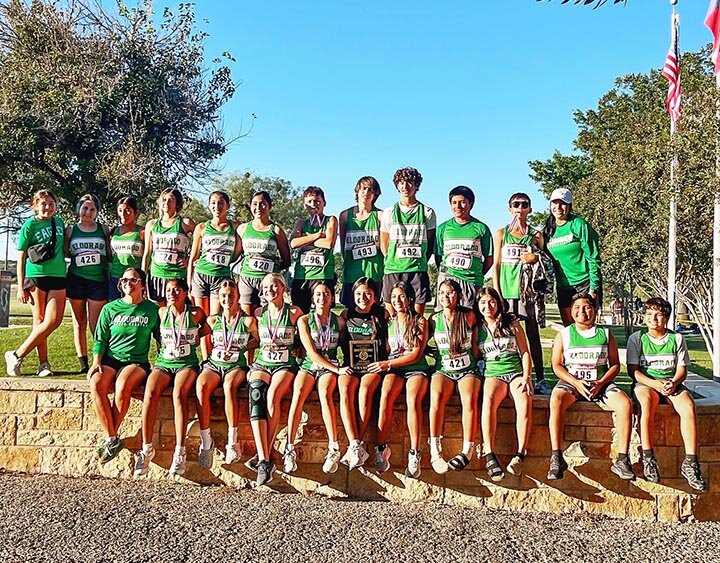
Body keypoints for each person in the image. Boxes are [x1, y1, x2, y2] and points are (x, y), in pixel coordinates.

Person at [547, 294, 634, 481]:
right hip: (573, 382)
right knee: (556, 400)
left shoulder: (605, 334)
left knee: (625, 404)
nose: (582, 312)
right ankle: (556, 456)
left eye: (587, 307)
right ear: (571, 311)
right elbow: (556, 365)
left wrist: (602, 383)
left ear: (594, 310)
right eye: (577, 307)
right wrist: (576, 382)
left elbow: (615, 364)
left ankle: (622, 458)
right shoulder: (564, 334)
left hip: (600, 383)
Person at [627, 297, 707, 491]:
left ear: (666, 318)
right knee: (646, 403)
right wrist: (654, 383)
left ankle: (691, 462)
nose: (653, 319)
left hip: (671, 383)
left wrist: (674, 382)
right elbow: (633, 371)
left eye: (659, 315)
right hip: (647, 382)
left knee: (688, 406)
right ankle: (648, 457)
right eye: (649, 314)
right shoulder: (637, 339)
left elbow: (682, 369)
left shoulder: (676, 338)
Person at [133, 278, 209, 476]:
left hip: (186, 364)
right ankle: (146, 447)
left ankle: (180, 451)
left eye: (176, 290)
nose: (172, 294)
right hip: (164, 362)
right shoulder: (161, 312)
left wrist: (192, 340)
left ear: (185, 293)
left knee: (178, 394)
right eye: (168, 290)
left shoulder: (195, 313)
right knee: (150, 392)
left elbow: (207, 329)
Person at [88, 268, 159, 464]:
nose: (128, 283)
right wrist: (96, 361)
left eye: (133, 280)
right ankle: (112, 438)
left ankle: (111, 439)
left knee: (122, 385)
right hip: (111, 358)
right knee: (96, 384)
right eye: (124, 280)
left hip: (136, 361)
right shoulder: (110, 308)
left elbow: (161, 338)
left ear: (142, 285)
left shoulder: (152, 310)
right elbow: (100, 339)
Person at [282, 282, 351, 475]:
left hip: (329, 366)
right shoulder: (304, 321)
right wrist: (337, 370)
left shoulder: (340, 322)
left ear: (332, 297)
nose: (323, 298)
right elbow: (311, 353)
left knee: (325, 393)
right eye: (319, 294)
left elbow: (347, 348)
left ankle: (333, 448)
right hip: (309, 365)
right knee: (298, 393)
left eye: (327, 294)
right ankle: (289, 448)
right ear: (313, 298)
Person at [193, 279, 258, 469]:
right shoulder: (213, 320)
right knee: (201, 386)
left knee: (230, 386)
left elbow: (261, 340)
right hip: (214, 364)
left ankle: (233, 440)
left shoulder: (247, 321)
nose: (227, 299)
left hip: (235, 366)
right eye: (223, 296)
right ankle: (207, 442)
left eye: (231, 295)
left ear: (238, 297)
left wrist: (244, 347)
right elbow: (197, 337)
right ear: (219, 298)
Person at [247, 273, 302, 485]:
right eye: (267, 287)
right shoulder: (259, 313)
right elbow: (254, 340)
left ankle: (264, 458)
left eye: (275, 286)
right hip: (263, 362)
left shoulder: (295, 312)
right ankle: (264, 459)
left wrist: (298, 348)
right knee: (256, 392)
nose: (271, 290)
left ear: (283, 288)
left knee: (271, 398)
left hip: (284, 364)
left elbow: (304, 337)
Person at [6, 190, 66, 378]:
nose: (47, 207)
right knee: (39, 321)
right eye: (43, 204)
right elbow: (21, 257)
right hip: (36, 276)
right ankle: (43, 364)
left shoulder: (59, 222)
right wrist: (22, 284)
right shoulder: (29, 225)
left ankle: (16, 354)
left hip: (58, 275)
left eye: (51, 203)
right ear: (35, 206)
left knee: (53, 320)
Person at [372, 282, 429, 478]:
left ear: (410, 298)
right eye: (394, 297)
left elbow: (415, 354)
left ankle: (414, 453)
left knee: (413, 400)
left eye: (402, 296)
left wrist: (387, 364)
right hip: (394, 369)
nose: (398, 301)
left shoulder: (420, 321)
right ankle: (381, 448)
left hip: (415, 368)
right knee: (385, 396)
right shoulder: (389, 323)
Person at [477, 287, 533, 481]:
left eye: (491, 301)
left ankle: (520, 454)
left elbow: (525, 352)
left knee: (524, 402)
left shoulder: (511, 322)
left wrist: (526, 376)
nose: (487, 306)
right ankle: (489, 453)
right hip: (494, 374)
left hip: (516, 372)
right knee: (488, 403)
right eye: (483, 302)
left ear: (498, 303)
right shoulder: (477, 327)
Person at [428, 279, 481, 474]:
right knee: (436, 397)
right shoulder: (433, 320)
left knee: (469, 399)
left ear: (458, 295)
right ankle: (435, 449)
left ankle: (467, 449)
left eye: (450, 292)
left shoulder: (468, 316)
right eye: (441, 293)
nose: (445, 297)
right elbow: (420, 341)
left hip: (467, 369)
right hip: (443, 370)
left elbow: (477, 341)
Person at [339, 277, 389, 469]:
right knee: (344, 389)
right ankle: (355, 444)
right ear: (353, 295)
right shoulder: (345, 314)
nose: (363, 297)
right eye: (359, 293)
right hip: (351, 365)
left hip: (373, 366)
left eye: (368, 293)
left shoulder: (383, 314)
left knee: (365, 390)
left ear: (375, 296)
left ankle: (358, 443)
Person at [380, 167, 436, 315]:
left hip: (417, 270)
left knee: (417, 318)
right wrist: (395, 259)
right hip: (393, 270)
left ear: (416, 185)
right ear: (397, 185)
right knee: (392, 319)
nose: (405, 186)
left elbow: (430, 244)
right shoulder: (389, 212)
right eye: (401, 182)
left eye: (410, 182)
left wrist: (417, 259)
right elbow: (384, 244)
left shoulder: (427, 212)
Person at [65, 194, 110, 373]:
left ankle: (100, 359)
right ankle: (83, 362)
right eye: (85, 208)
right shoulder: (70, 230)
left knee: (96, 323)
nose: (88, 212)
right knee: (79, 321)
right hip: (76, 279)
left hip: (98, 280)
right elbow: (65, 253)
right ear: (78, 209)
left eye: (92, 209)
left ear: (97, 212)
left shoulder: (104, 229)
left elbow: (109, 253)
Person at [543, 188, 601, 326]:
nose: (558, 207)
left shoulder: (579, 224)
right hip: (563, 287)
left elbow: (593, 257)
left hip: (585, 284)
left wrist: (594, 288)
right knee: (569, 329)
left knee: (585, 326)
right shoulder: (547, 231)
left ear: (569, 205)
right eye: (555, 203)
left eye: (563, 203)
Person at [435, 185, 493, 310]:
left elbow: (489, 259)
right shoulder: (442, 228)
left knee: (469, 321)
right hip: (447, 279)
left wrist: (476, 273)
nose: (458, 206)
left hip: (471, 281)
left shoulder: (481, 228)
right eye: (454, 203)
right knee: (443, 319)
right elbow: (438, 257)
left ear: (470, 203)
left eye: (462, 202)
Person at [236, 191, 291, 316]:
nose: (258, 208)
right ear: (250, 206)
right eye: (254, 204)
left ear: (269, 206)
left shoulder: (276, 230)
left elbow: (287, 260)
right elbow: (235, 255)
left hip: (267, 282)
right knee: (247, 317)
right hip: (246, 278)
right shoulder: (242, 229)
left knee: (266, 317)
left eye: (262, 204)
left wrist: (274, 265)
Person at [187, 191, 241, 318]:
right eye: (213, 203)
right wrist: (189, 282)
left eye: (221, 203)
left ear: (228, 206)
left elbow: (238, 252)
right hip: (201, 275)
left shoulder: (236, 227)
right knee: (201, 317)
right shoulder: (201, 228)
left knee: (214, 317)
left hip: (221, 277)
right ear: (209, 205)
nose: (217, 206)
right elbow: (193, 257)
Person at [143, 188, 195, 306]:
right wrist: (142, 277)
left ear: (177, 204)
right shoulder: (151, 225)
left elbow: (203, 238)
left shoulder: (185, 223)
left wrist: (192, 261)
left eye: (171, 200)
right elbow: (147, 253)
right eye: (164, 200)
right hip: (156, 275)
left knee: (176, 311)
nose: (167, 203)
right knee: (159, 313)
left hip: (177, 276)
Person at [289, 187, 338, 314]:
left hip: (323, 276)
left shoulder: (330, 220)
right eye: (309, 201)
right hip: (302, 277)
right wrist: (317, 236)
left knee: (324, 315)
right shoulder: (300, 223)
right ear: (304, 204)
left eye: (317, 201)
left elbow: (328, 243)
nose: (313, 205)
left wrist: (304, 240)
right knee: (300, 315)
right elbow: (294, 243)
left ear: (324, 203)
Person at [338, 176, 384, 308]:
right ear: (357, 191)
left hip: (374, 274)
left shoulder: (381, 215)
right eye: (363, 188)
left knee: (374, 313)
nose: (366, 192)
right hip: (352, 274)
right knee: (351, 314)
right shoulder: (345, 216)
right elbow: (342, 246)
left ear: (375, 194)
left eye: (371, 190)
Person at [108, 197, 144, 301]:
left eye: (127, 210)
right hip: (115, 277)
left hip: (134, 280)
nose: (123, 214)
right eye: (120, 210)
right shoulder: (113, 232)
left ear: (136, 213)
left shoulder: (142, 232)